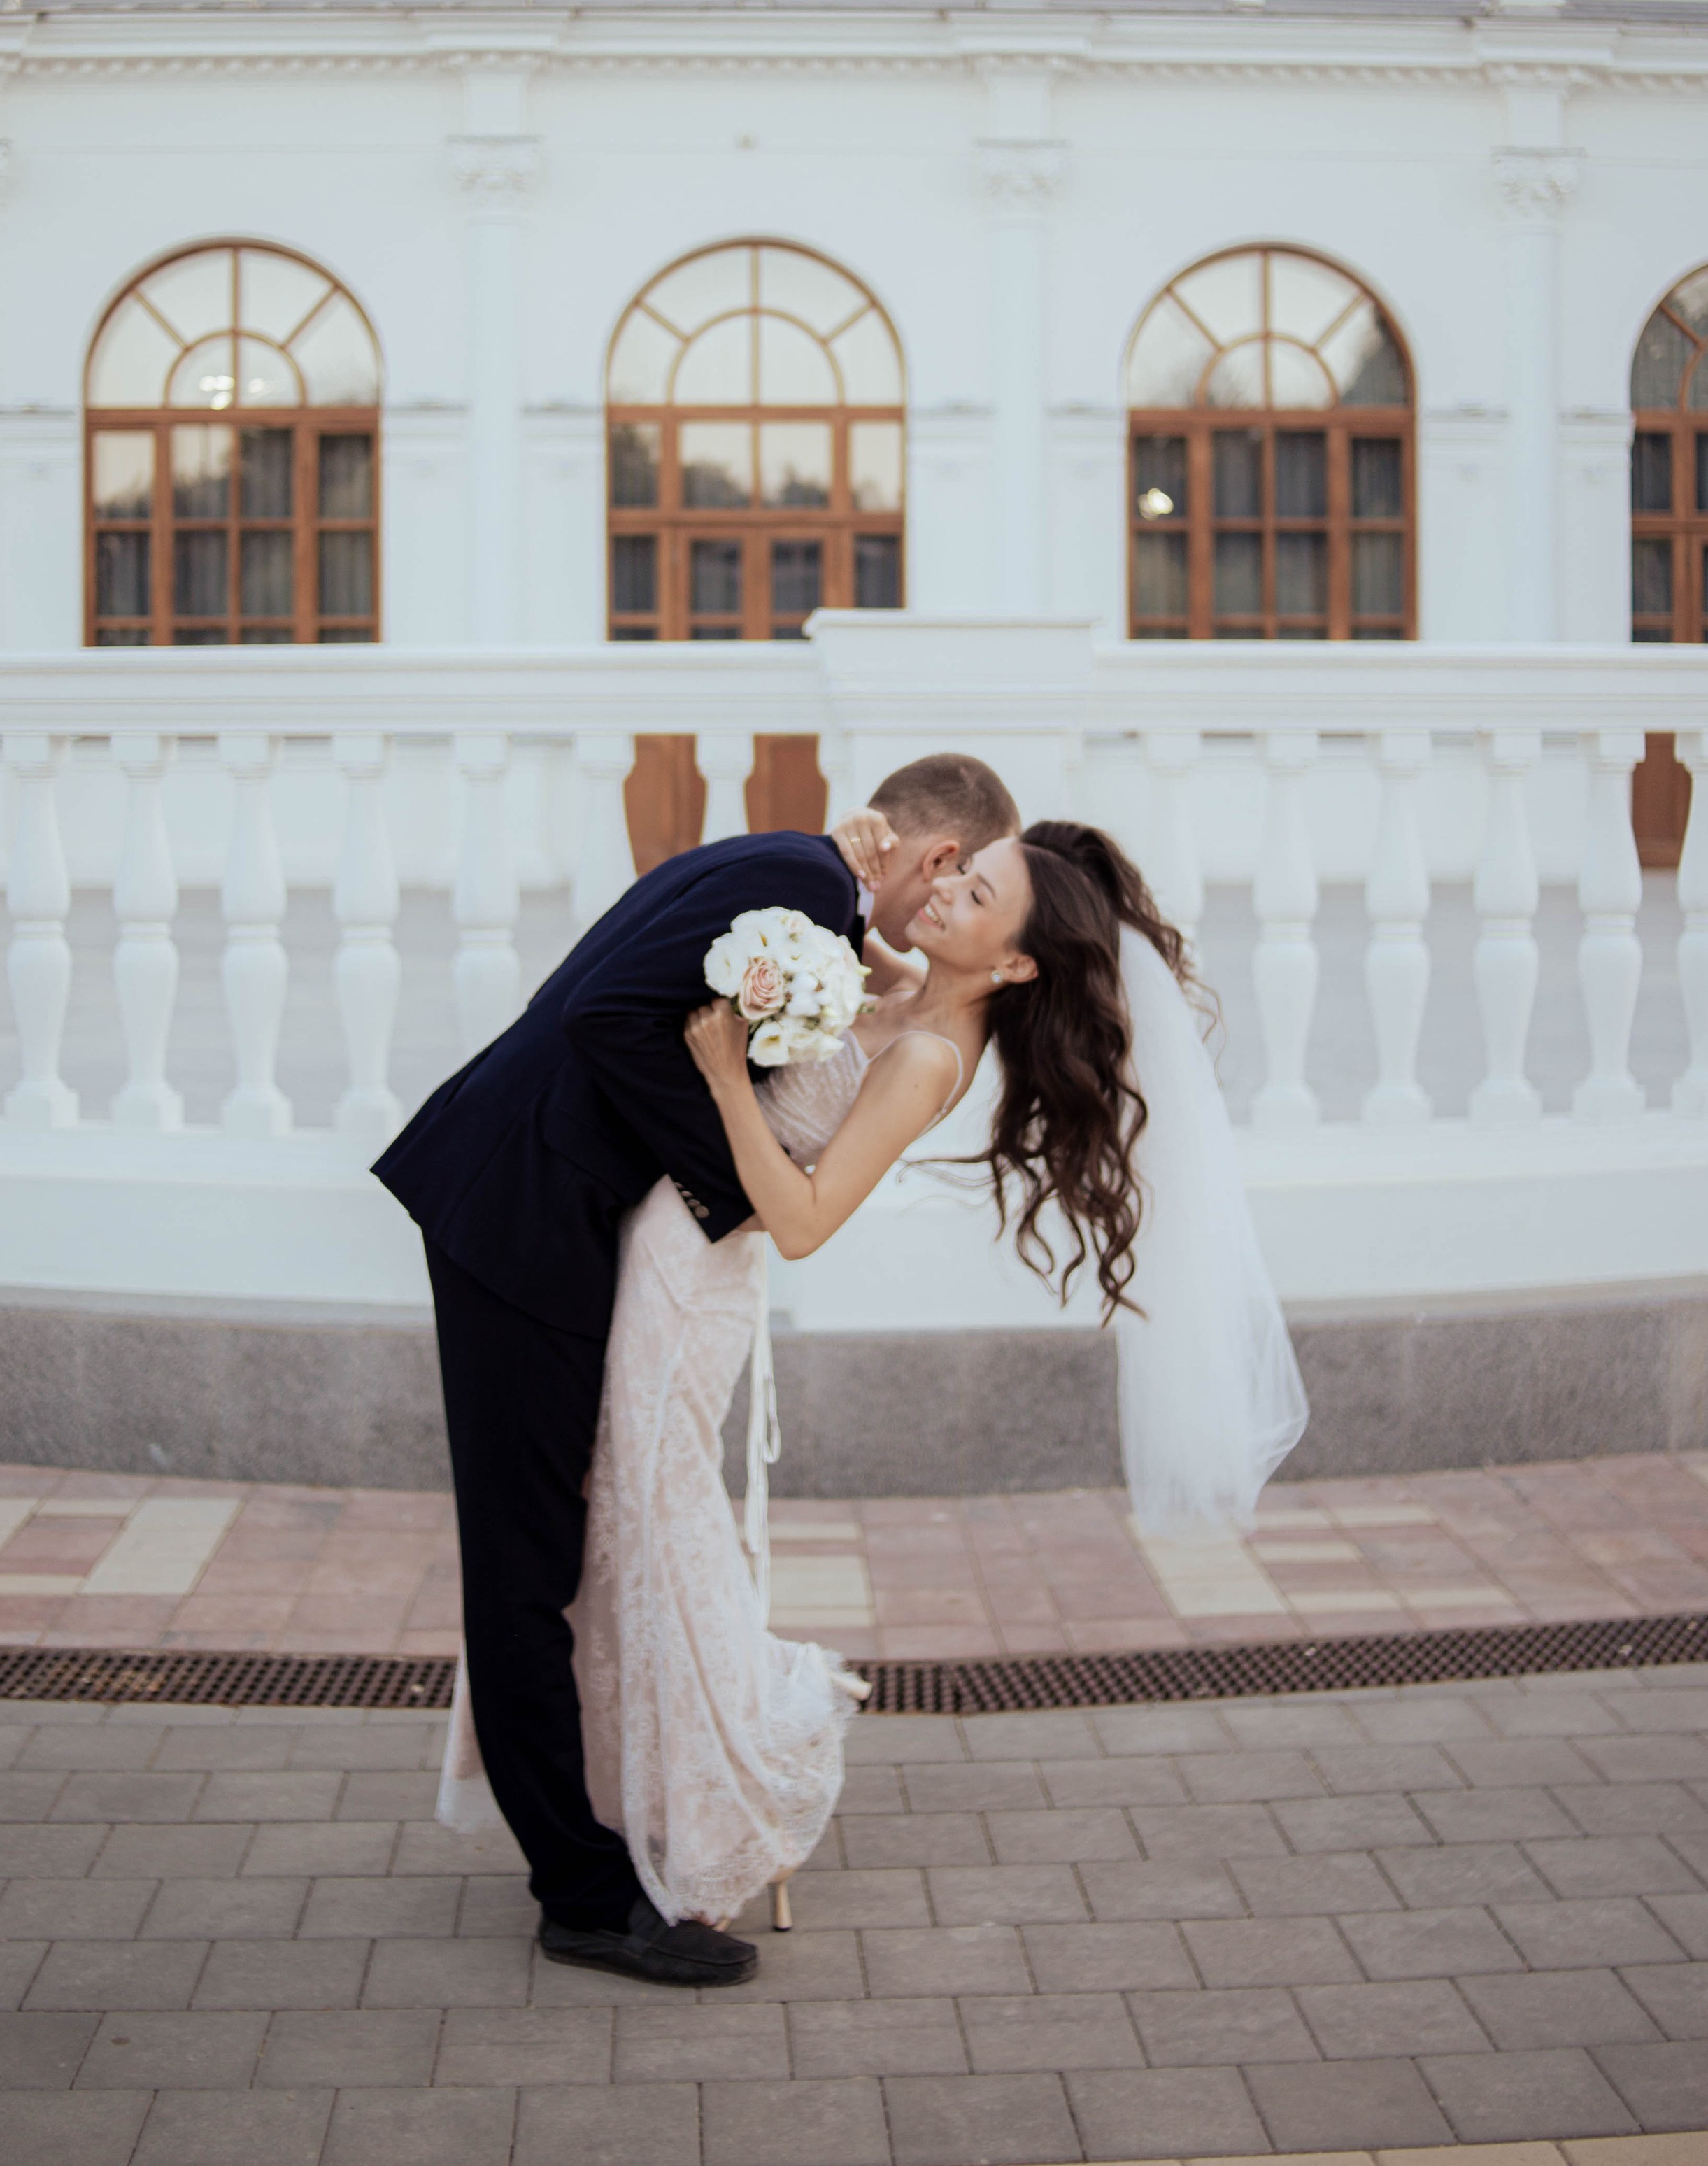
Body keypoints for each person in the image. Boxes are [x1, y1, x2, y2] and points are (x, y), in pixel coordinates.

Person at [506, 814, 1308, 1947]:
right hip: (663, 1259)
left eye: (976, 900)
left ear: (1019, 962)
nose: (948, 897)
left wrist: (729, 1079)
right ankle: (627, 1807)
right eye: (964, 872)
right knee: (624, 1529)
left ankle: (716, 1804)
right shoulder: (917, 998)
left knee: (657, 1529)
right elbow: (848, 966)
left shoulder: (933, 1057)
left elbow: (803, 1221)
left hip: (692, 1289)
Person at [371, 752, 1020, 1989]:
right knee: (525, 1569)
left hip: (548, 1217)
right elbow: (602, 1019)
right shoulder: (798, 885)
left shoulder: (800, 876)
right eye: (960, 881)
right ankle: (583, 1896)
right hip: (522, 1219)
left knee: (563, 1548)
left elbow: (685, 1018)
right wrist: (724, 1183)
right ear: (938, 859)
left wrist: (847, 991)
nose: (949, 905)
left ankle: (612, 1831)